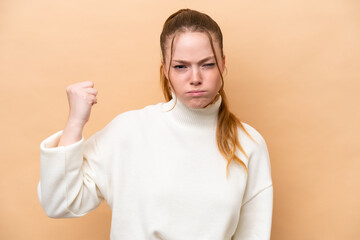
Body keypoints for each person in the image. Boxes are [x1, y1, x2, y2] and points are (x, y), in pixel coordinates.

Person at [37, 8, 273, 240]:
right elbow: (60, 202)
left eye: (207, 64)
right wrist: (76, 122)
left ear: (222, 64)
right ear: (165, 69)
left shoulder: (249, 144)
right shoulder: (128, 132)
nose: (195, 78)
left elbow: (253, 234)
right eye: (181, 66)